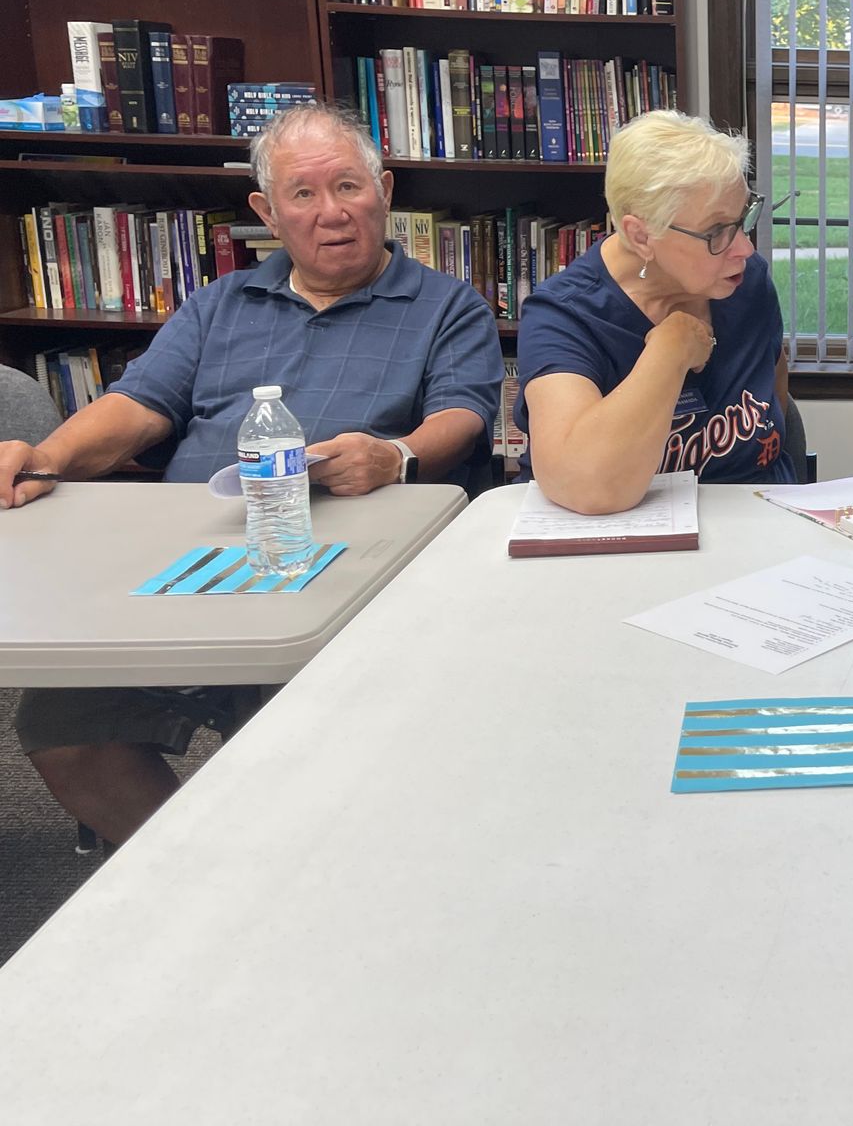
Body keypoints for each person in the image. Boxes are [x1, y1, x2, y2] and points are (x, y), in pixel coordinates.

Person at [0, 100, 504, 844]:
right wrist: (44, 457)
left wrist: (395, 455)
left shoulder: (446, 306)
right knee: (62, 720)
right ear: (268, 210)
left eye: (349, 188)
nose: (332, 213)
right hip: (191, 559)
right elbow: (137, 406)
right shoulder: (218, 305)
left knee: (298, 726)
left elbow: (463, 417)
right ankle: (189, 871)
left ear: (386, 192)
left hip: (339, 562)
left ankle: (296, 865)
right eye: (304, 194)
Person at [515, 110, 793, 515]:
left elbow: (774, 392)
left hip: (754, 521)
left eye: (744, 218)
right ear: (640, 235)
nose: (745, 250)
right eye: (717, 232)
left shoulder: (747, 284)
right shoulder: (564, 315)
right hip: (618, 546)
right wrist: (670, 350)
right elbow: (584, 487)